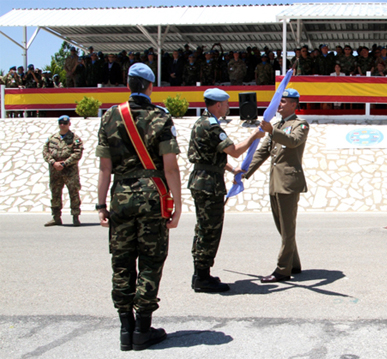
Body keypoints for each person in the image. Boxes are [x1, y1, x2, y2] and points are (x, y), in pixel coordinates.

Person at [96, 63, 182, 351]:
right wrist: (178, 205)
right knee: (150, 261)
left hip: (119, 196)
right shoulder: (160, 117)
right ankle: (143, 330)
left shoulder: (109, 116)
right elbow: (170, 168)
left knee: (121, 262)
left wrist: (100, 205)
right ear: (150, 86)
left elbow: (104, 168)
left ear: (128, 84)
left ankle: (125, 329)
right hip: (152, 198)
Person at [188, 88, 265, 293]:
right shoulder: (212, 126)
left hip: (201, 180)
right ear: (218, 104)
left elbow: (212, 156)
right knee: (210, 230)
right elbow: (234, 150)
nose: (228, 107)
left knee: (203, 228)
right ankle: (202, 278)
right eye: (226, 104)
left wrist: (232, 169)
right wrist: (253, 136)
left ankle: (200, 273)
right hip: (209, 184)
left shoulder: (199, 123)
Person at [242, 89, 309, 283]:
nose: (279, 105)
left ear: (294, 105)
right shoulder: (278, 125)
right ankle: (293, 263)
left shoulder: (300, 125)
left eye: (283, 102)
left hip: (289, 183)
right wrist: (245, 172)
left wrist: (272, 131)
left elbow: (293, 141)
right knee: (282, 227)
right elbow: (263, 152)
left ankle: (282, 269)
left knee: (288, 228)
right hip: (275, 182)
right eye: (279, 102)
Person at [42, 116, 83, 226]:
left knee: (73, 193)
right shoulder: (52, 138)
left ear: (69, 124)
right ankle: (56, 217)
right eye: (60, 123)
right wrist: (53, 163)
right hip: (55, 171)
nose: (62, 125)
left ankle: (75, 216)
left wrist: (65, 163)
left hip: (70, 171)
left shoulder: (75, 138)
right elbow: (45, 152)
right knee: (55, 194)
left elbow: (77, 153)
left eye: (65, 123)